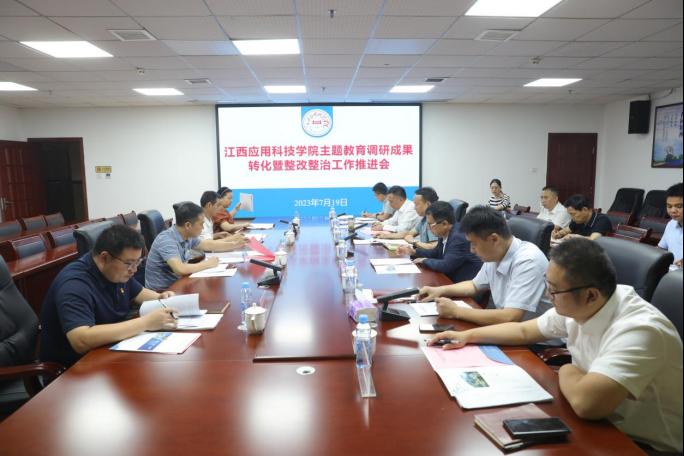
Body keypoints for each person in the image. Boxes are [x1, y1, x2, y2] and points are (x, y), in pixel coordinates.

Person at [428, 238, 682, 453]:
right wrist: (466, 336)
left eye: (554, 290)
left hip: (643, 444)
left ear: (590, 295)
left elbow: (586, 404)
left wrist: (569, 369)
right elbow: (524, 330)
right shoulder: (587, 302)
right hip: (601, 424)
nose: (549, 296)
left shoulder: (639, 329)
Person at [40, 225, 178, 367]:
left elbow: (139, 292)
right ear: (104, 257)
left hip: (108, 350)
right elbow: (80, 340)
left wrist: (160, 298)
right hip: (75, 367)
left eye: (138, 262)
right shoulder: (74, 284)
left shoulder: (116, 271)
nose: (134, 270)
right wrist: (145, 323)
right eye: (129, 263)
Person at [420, 206, 550, 325]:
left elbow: (511, 316)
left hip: (534, 339)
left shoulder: (528, 261)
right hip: (507, 328)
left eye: (474, 244)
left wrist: (456, 311)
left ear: (494, 239)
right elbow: (474, 285)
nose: (471, 250)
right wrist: (440, 290)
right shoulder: (496, 253)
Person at [397, 201, 482, 283]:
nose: (428, 228)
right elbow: (436, 252)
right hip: (450, 279)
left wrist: (424, 260)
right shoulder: (445, 233)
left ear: (444, 224)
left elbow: (446, 266)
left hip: (464, 285)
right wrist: (414, 252)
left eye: (430, 225)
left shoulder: (458, 237)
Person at [145, 202, 222, 291]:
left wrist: (233, 244)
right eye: (201, 224)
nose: (203, 228)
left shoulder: (187, 235)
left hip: (178, 285)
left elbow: (207, 245)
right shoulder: (166, 239)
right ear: (188, 225)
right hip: (162, 293)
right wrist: (208, 264)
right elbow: (180, 269)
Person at [659, 182, 683, 267]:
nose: (673, 211)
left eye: (679, 206)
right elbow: (661, 248)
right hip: (671, 272)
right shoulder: (671, 224)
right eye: (669, 206)